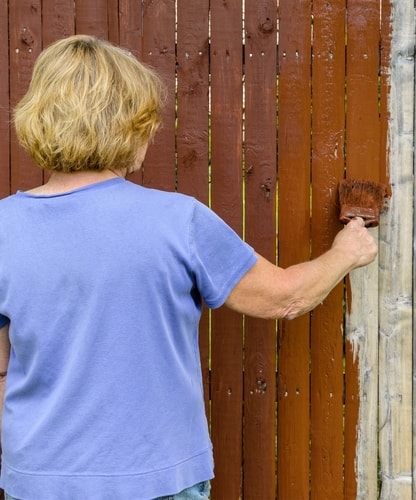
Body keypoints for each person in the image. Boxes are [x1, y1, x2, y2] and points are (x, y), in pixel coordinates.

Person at [0, 35, 377, 500]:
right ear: (128, 124)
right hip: (158, 480)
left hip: (40, 481)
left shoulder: (4, 227)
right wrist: (348, 251)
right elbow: (285, 297)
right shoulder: (179, 221)